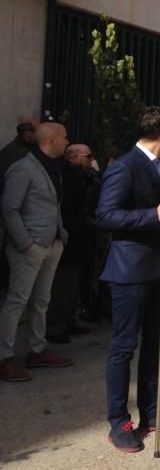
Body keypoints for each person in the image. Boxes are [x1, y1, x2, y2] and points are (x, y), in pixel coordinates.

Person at [96, 107, 160, 453]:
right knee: (124, 347)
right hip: (129, 272)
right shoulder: (124, 166)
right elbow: (106, 215)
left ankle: (151, 412)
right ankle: (118, 421)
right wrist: (152, 215)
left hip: (159, 269)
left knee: (157, 344)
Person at [0, 123, 73, 383]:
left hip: (51, 242)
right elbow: (10, 209)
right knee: (17, 301)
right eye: (64, 137)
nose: (67, 142)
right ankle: (4, 357)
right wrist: (26, 244)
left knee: (42, 300)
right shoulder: (23, 168)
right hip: (30, 246)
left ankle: (37, 349)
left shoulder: (52, 167)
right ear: (51, 140)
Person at [46, 143, 99, 342]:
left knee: (74, 281)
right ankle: (56, 325)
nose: (89, 160)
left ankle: (68, 319)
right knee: (63, 283)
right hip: (69, 235)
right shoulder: (65, 176)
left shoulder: (81, 176)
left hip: (78, 236)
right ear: (73, 157)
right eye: (87, 156)